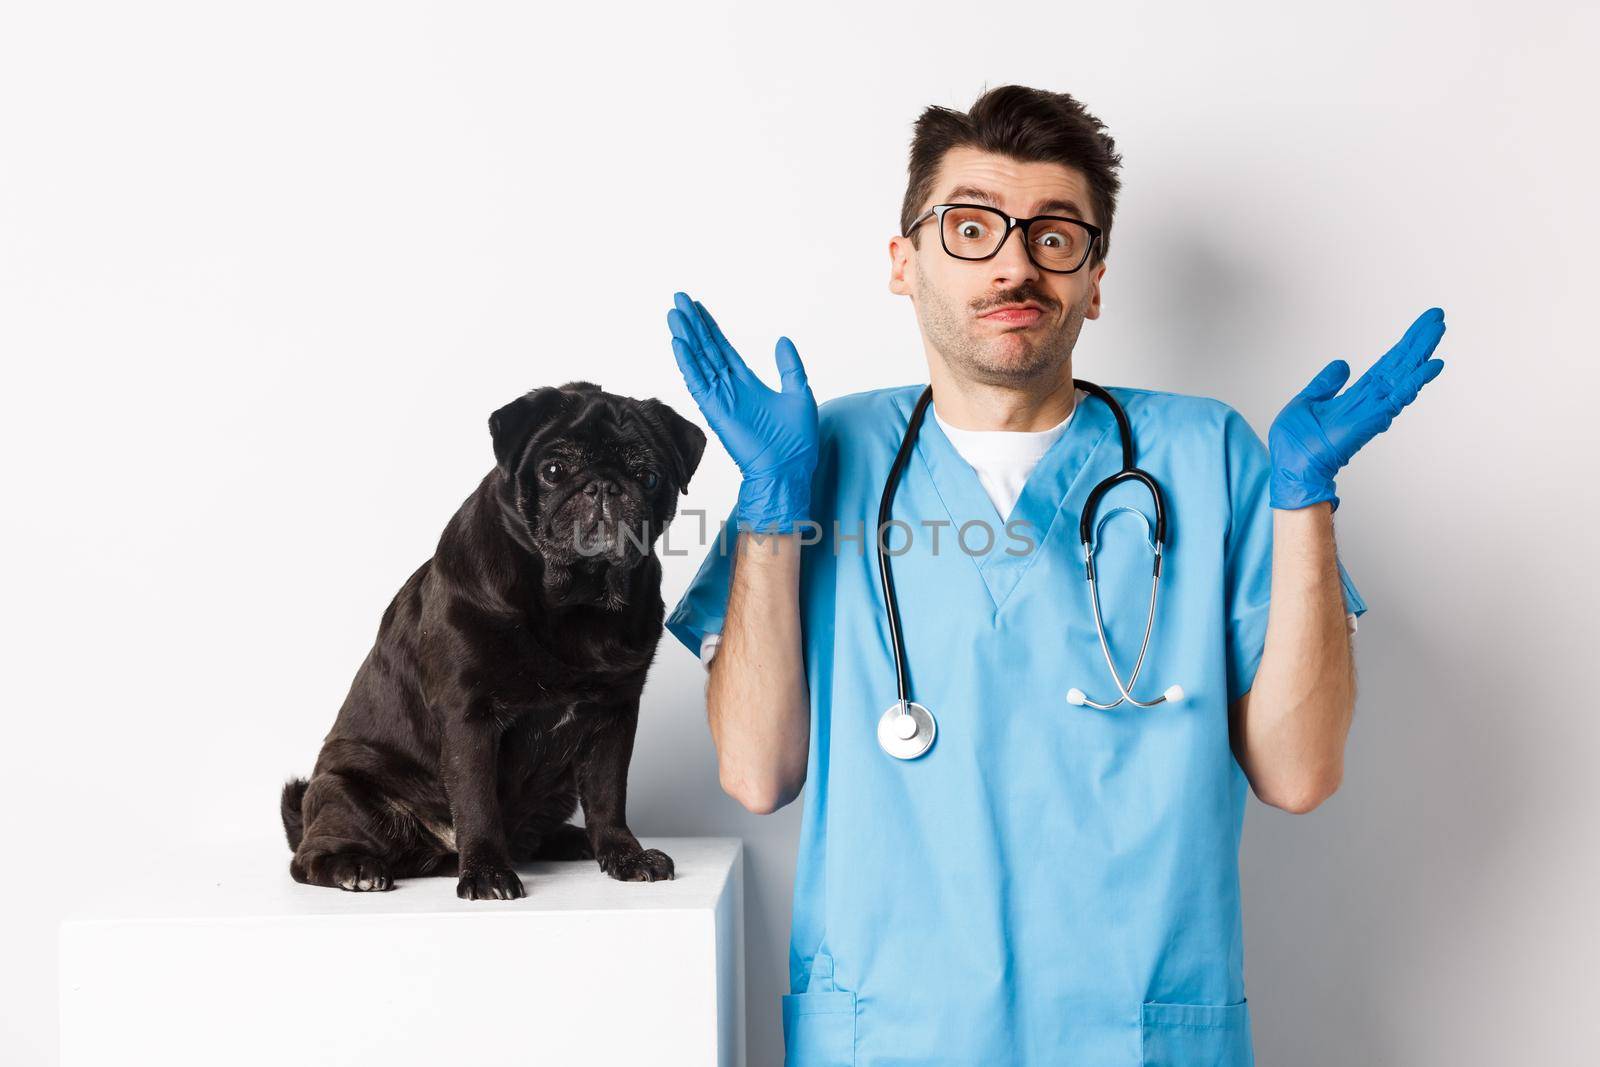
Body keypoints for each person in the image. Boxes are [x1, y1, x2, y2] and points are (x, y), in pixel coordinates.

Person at [663, 84, 1445, 1067]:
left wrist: (1304, 501)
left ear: (1095, 277)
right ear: (903, 262)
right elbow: (754, 769)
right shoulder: (814, 456)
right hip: (892, 1034)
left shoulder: (1213, 457)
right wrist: (772, 506)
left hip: (1138, 1030)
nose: (1013, 263)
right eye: (972, 228)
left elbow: (1297, 772)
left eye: (1054, 235)